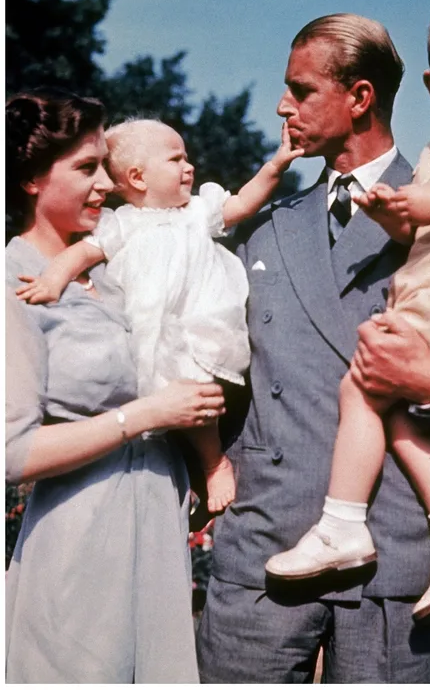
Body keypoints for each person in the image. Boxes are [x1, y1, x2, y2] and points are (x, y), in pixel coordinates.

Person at [196, 13, 430, 683]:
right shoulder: (265, 227)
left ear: (360, 97)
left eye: (300, 89)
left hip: (393, 558)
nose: (282, 106)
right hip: (264, 551)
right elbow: (209, 363)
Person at [5, 89, 228, 682]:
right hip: (79, 538)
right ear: (30, 179)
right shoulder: (12, 282)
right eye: (86, 168)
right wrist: (148, 414)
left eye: (105, 165)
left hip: (159, 522)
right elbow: (12, 453)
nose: (106, 184)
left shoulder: (119, 267)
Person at [15, 117, 303, 516]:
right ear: (138, 177)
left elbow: (242, 203)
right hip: (151, 327)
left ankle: (213, 463)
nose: (189, 166)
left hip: (200, 322)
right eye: (175, 159)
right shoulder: (122, 224)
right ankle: (197, 470)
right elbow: (81, 254)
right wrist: (52, 279)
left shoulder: (197, 211)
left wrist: (276, 165)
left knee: (198, 390)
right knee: (166, 395)